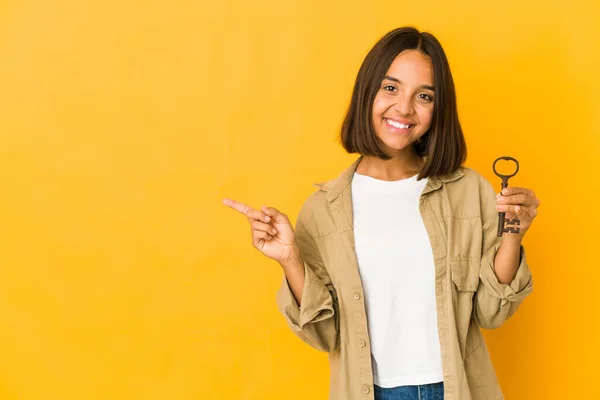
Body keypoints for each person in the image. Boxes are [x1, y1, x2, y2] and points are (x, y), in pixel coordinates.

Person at [223, 26, 539, 400]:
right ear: (367, 93)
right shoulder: (324, 210)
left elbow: (491, 313)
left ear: (439, 109)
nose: (404, 108)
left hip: (458, 389)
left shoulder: (469, 191)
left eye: (424, 96)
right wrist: (290, 258)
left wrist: (513, 235)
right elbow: (325, 336)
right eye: (391, 88)